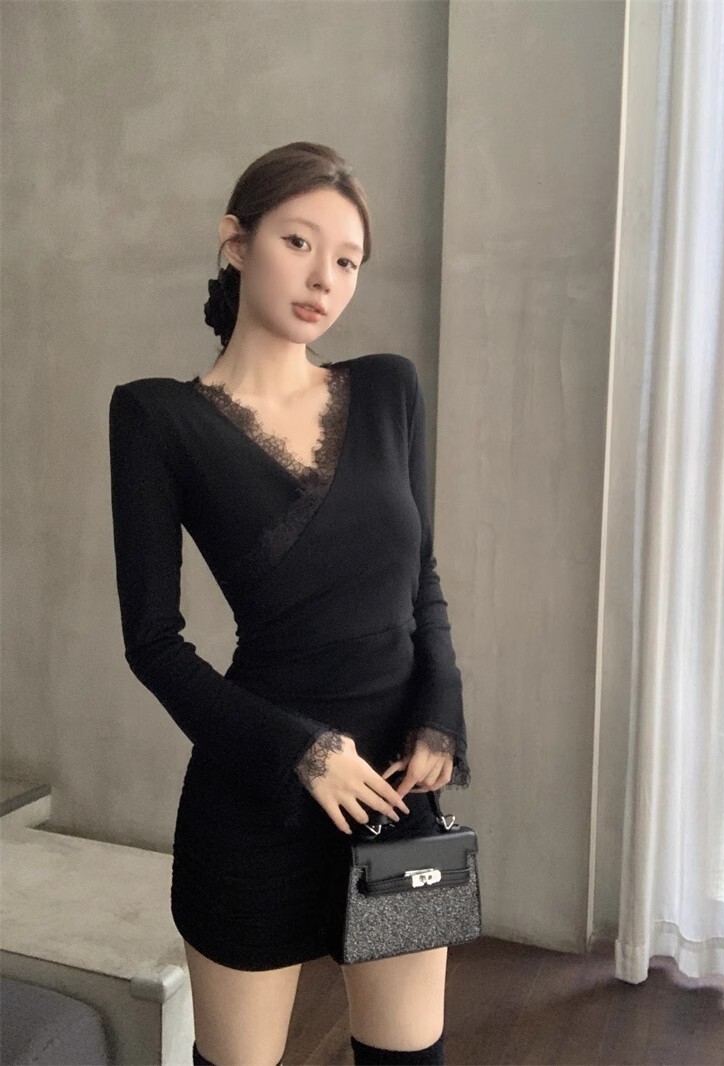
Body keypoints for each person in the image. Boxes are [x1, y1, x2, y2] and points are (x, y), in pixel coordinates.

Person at [108, 142, 470, 1066]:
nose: (324, 279)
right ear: (237, 242)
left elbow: (421, 576)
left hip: (395, 796)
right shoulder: (156, 417)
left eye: (347, 260)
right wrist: (304, 752)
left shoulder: (387, 389)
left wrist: (441, 711)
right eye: (299, 243)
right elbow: (153, 643)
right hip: (255, 801)